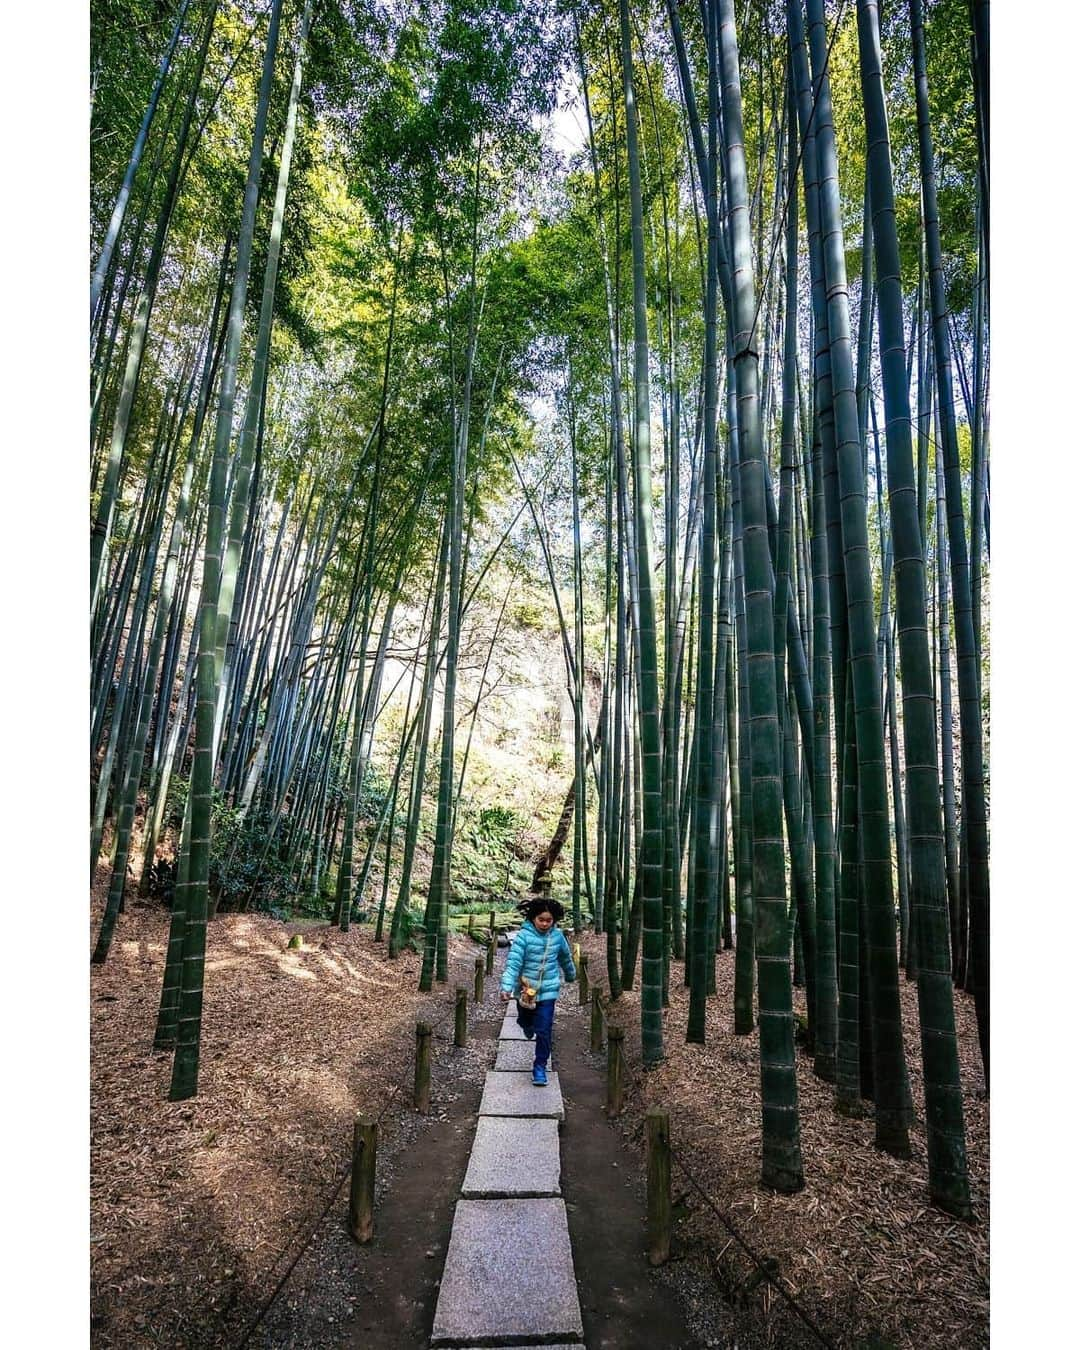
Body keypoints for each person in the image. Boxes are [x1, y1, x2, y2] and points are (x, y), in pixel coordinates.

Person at [500, 897, 576, 1086]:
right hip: (526, 990)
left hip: (548, 990)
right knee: (526, 1020)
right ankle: (526, 1024)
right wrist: (506, 986)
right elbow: (513, 963)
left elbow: (565, 958)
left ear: (554, 920)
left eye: (548, 920)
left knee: (544, 1030)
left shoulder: (557, 937)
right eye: (541, 919)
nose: (544, 923)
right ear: (533, 918)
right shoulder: (524, 937)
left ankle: (540, 1067)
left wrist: (571, 974)